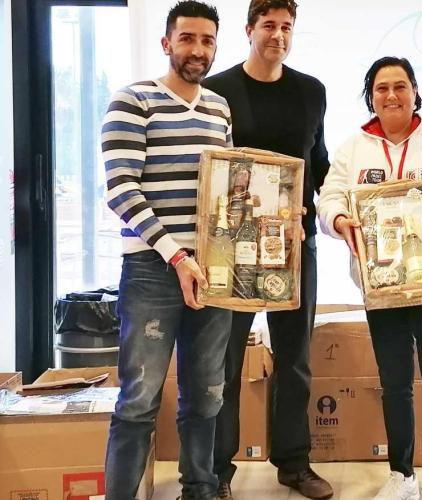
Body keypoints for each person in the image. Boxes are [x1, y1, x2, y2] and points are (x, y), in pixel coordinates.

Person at [317, 56, 422, 500]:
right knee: (393, 384)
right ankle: (403, 476)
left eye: (400, 86)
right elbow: (330, 196)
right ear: (370, 96)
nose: (391, 95)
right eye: (381, 88)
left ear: (415, 91)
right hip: (383, 285)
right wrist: (338, 219)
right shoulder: (354, 147)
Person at [102, 2, 232, 499]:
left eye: (207, 40)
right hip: (152, 269)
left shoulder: (219, 108)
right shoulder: (134, 100)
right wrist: (177, 256)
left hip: (212, 270)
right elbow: (121, 189)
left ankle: (200, 490)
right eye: (187, 38)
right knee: (138, 400)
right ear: (166, 43)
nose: (198, 49)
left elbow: (228, 189)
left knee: (207, 395)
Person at [201, 1, 332, 499]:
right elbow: (210, 165)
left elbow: (317, 162)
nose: (278, 35)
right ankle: (219, 470)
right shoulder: (218, 90)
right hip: (230, 246)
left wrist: (330, 205)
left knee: (294, 358)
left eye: (286, 27)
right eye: (269, 26)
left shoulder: (312, 91)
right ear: (249, 30)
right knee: (226, 360)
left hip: (294, 244)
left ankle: (294, 464)